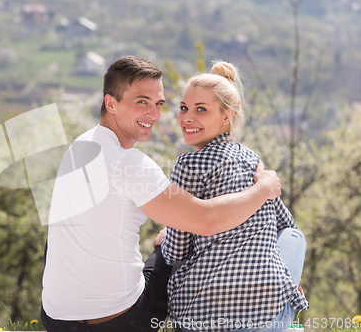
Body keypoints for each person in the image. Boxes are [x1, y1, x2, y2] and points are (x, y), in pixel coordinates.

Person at [41, 56, 282, 332]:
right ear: (111, 103)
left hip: (55, 319)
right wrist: (263, 189)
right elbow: (207, 220)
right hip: (118, 323)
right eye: (142, 102)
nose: (154, 115)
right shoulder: (129, 164)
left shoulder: (80, 145)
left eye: (159, 104)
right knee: (178, 247)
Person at [160, 61, 309, 332]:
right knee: (295, 237)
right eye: (184, 108)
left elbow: (176, 251)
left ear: (227, 116)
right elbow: (286, 224)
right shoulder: (253, 161)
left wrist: (168, 236)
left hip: (200, 318)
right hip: (266, 317)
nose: (187, 118)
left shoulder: (187, 165)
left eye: (200, 110)